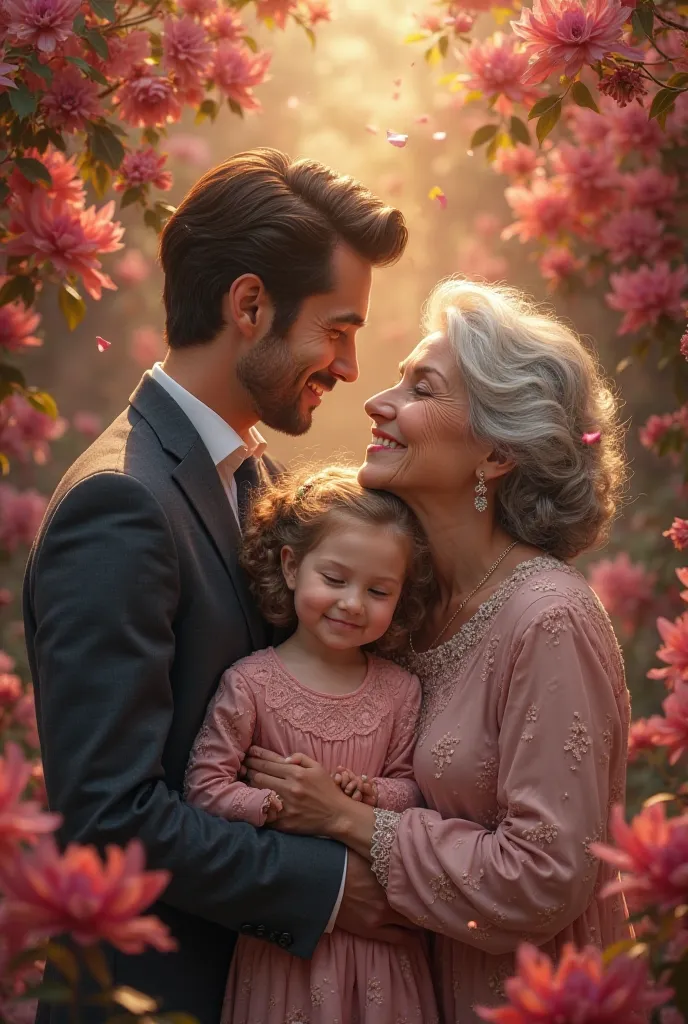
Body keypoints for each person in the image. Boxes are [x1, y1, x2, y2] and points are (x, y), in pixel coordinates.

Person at [22, 148, 409, 1024]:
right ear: (248, 304)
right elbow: (108, 815)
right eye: (338, 330)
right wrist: (327, 887)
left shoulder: (252, 475)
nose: (348, 367)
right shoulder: (121, 502)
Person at [242, 278, 632, 1023]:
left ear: (495, 455)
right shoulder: (396, 607)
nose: (377, 402)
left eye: (420, 387)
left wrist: (352, 821)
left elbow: (546, 879)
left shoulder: (548, 617)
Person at [185, 465, 438, 1024]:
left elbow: (413, 791)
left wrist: (362, 794)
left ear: (401, 596)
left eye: (378, 591)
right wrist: (270, 806)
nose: (352, 603)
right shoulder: (249, 683)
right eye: (335, 578)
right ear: (292, 565)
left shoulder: (401, 690)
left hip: (382, 947)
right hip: (286, 943)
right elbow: (203, 788)